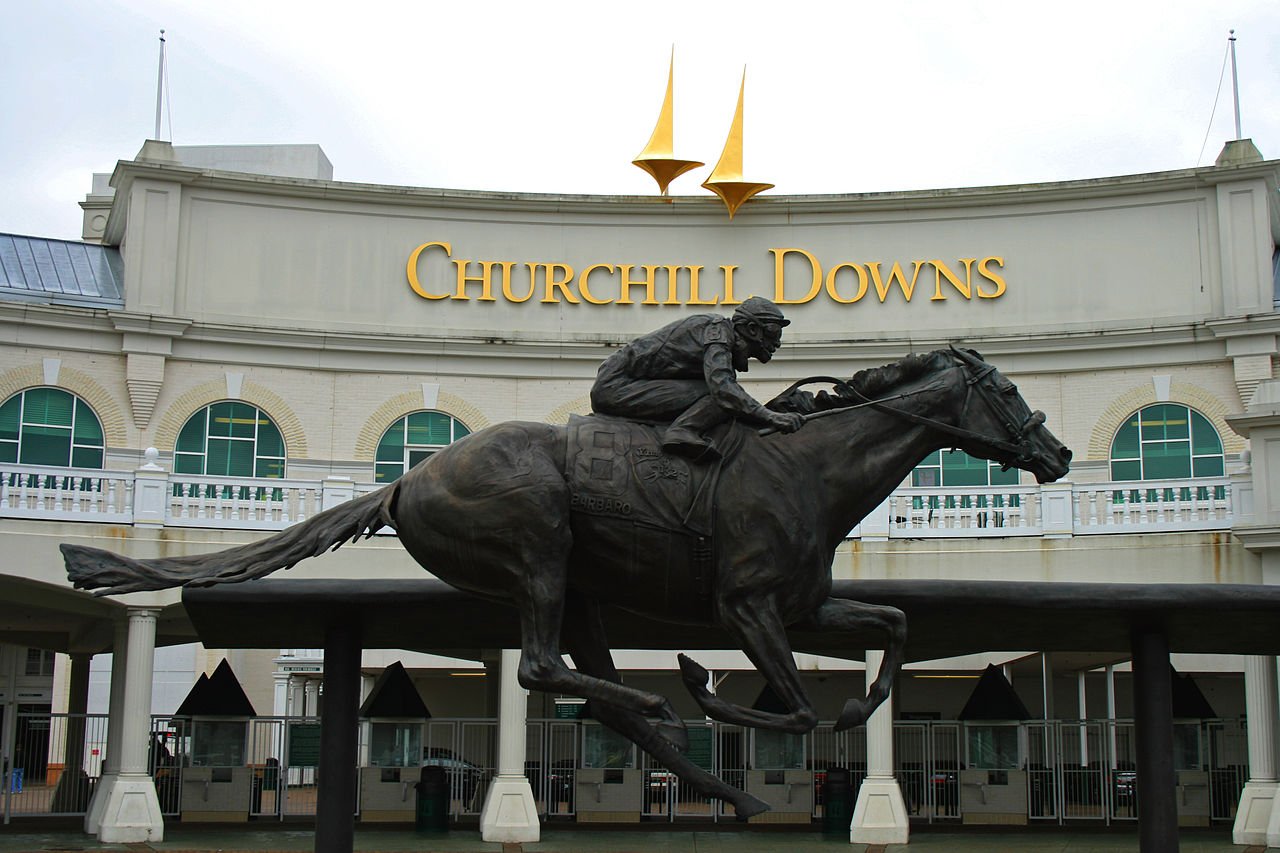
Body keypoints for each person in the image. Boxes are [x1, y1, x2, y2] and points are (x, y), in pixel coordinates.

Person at [590, 296, 804, 459]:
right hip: (617, 387)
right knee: (720, 395)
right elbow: (722, 388)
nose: (777, 343)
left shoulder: (718, 333)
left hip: (628, 385)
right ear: (751, 329)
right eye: (773, 333)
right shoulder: (717, 331)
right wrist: (770, 416)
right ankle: (682, 431)